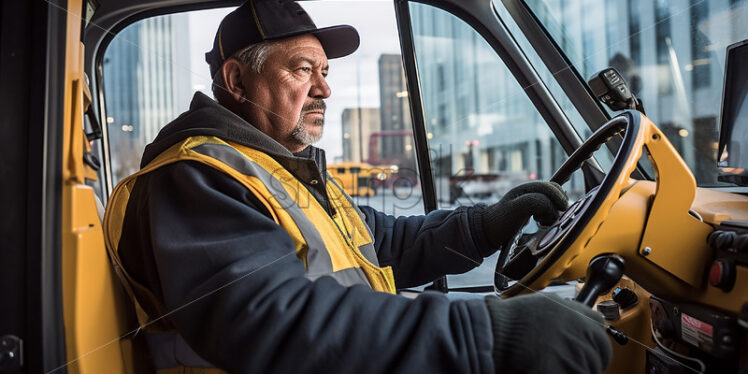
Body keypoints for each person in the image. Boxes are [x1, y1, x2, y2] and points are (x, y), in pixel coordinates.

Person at [103, 1, 612, 373]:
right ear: (237, 82)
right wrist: (485, 335)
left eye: (324, 72)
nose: (325, 87)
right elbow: (267, 318)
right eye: (303, 69)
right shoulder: (197, 176)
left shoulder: (277, 170)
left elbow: (382, 244)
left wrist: (484, 225)